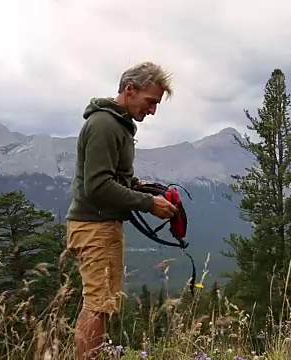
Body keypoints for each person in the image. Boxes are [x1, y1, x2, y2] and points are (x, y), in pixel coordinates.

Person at [65, 61, 178, 360]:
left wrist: (137, 186)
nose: (152, 110)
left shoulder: (116, 124)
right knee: (98, 304)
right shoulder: (104, 124)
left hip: (98, 225)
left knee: (101, 303)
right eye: (150, 101)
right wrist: (148, 203)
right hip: (95, 227)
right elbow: (98, 186)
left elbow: (109, 178)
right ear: (130, 89)